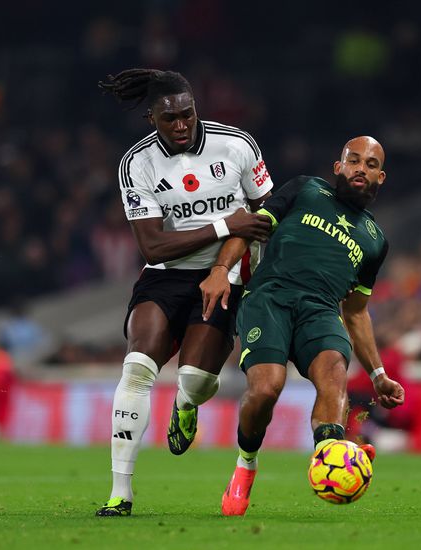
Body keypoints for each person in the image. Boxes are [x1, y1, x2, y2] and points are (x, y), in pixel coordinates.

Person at [95, 68, 274, 516]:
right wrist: (222, 224)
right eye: (169, 118)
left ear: (196, 108)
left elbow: (264, 218)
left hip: (226, 275)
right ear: (151, 118)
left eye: (187, 114)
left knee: (194, 380)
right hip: (165, 275)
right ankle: (120, 494)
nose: (180, 125)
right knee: (137, 368)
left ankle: (186, 404)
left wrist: (225, 264)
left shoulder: (236, 145)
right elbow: (153, 246)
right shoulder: (137, 163)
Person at [199, 136, 405, 516]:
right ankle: (246, 465)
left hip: (321, 311)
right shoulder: (306, 189)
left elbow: (356, 312)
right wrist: (219, 270)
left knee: (334, 372)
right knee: (266, 388)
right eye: (354, 160)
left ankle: (333, 455)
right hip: (270, 298)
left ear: (381, 177)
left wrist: (378, 375)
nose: (361, 168)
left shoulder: (375, 241)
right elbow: (250, 228)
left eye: (371, 164)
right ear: (338, 167)